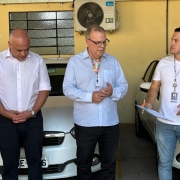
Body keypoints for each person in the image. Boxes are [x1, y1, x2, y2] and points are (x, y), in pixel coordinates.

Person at [63, 24, 128, 180]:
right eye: (97, 42)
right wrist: (89, 96)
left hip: (110, 123)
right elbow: (67, 88)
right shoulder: (75, 62)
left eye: (104, 42)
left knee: (109, 165)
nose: (102, 46)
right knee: (84, 165)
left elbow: (124, 85)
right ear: (87, 41)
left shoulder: (113, 61)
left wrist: (113, 92)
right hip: (86, 124)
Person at [0, 28, 51, 180]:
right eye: (19, 50)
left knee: (35, 162)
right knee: (9, 165)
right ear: (9, 44)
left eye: (26, 49)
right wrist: (4, 112)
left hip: (33, 120)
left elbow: (44, 88)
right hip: (6, 121)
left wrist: (33, 112)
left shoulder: (38, 61)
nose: (23, 54)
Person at [145, 27, 180, 180]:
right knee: (164, 164)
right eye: (172, 39)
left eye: (176, 40)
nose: (171, 43)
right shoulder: (163, 63)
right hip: (164, 122)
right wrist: (149, 102)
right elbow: (154, 86)